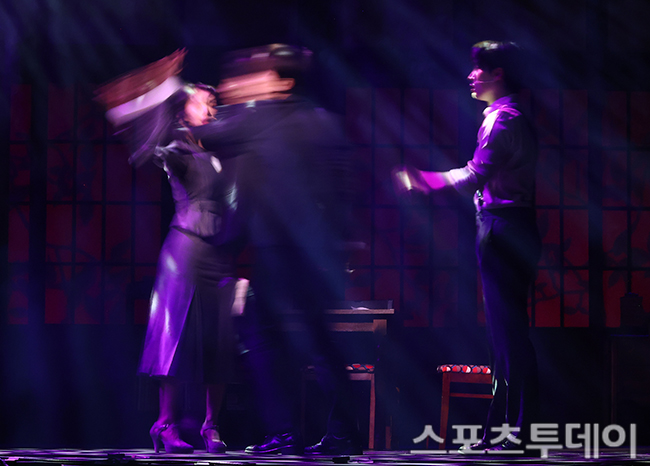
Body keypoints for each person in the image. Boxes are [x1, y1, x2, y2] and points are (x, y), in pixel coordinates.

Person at [191, 44, 362, 456]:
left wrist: (190, 105)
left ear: (281, 82)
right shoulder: (325, 122)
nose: (246, 82)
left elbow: (205, 135)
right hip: (319, 253)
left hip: (278, 251)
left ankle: (285, 433)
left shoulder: (259, 117)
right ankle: (342, 434)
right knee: (322, 342)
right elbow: (343, 191)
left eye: (258, 75)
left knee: (262, 338)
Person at [394, 40, 541, 454]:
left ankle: (518, 432)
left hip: (503, 228)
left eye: (478, 68)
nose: (471, 75)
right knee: (504, 337)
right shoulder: (507, 117)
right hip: (510, 226)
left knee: (508, 337)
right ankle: (503, 431)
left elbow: (475, 175)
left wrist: (426, 180)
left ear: (498, 74)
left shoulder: (503, 120)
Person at [96, 53, 240, 454]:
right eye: (201, 103)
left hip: (219, 253)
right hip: (186, 249)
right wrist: (167, 85)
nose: (210, 109)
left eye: (213, 103)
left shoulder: (223, 150)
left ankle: (212, 426)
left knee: (218, 339)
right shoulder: (175, 147)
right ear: (182, 110)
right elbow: (129, 121)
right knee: (174, 334)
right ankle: (165, 424)